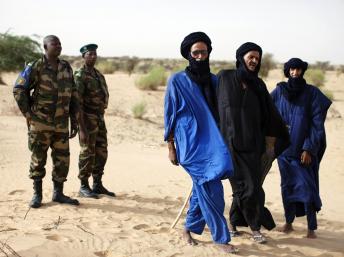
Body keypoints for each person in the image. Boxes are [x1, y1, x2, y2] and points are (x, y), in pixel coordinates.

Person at [164, 32, 238, 253]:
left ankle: (188, 227)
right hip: (189, 144)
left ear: (208, 53)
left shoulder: (215, 81)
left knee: (202, 188)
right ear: (188, 54)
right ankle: (221, 239)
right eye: (195, 52)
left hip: (213, 144)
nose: (199, 56)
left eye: (203, 52)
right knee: (213, 189)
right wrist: (171, 147)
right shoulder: (177, 80)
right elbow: (169, 115)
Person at [217, 42, 289, 243]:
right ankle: (253, 227)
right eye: (251, 56)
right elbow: (213, 107)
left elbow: (271, 117)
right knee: (243, 188)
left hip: (252, 147)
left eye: (257, 58)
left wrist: (270, 145)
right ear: (241, 57)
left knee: (252, 188)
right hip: (229, 146)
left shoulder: (259, 85)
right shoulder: (224, 77)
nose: (254, 60)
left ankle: (239, 225)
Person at [13, 35, 87, 208]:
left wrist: (74, 121)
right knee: (38, 158)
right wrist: (28, 114)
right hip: (41, 123)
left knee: (62, 159)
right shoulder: (36, 66)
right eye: (55, 43)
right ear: (45, 46)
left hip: (61, 124)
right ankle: (37, 195)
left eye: (60, 43)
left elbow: (74, 94)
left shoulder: (66, 67)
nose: (59, 46)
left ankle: (58, 194)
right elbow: (18, 89)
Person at [271, 58, 332, 238]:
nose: (295, 73)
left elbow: (316, 124)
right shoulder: (280, 91)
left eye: (298, 70)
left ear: (302, 71)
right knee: (287, 187)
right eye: (292, 70)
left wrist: (309, 148)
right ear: (287, 71)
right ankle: (289, 223)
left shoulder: (312, 93)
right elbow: (265, 109)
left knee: (307, 188)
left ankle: (311, 228)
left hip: (303, 152)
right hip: (283, 151)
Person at [74, 44, 115, 198]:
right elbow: (77, 103)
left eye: (95, 54)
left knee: (101, 151)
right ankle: (83, 186)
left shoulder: (98, 75)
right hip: (87, 118)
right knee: (87, 152)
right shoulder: (80, 75)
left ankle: (97, 184)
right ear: (83, 56)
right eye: (90, 54)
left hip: (99, 118)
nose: (93, 56)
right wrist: (82, 128)